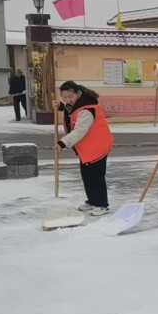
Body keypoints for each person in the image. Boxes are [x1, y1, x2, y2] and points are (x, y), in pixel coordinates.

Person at [55, 81, 114, 216]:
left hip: (97, 146)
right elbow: (71, 111)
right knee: (87, 175)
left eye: (70, 97)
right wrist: (61, 107)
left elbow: (79, 131)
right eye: (64, 97)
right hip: (87, 147)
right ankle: (92, 201)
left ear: (77, 93)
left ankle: (102, 205)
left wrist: (62, 143)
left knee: (96, 176)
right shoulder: (78, 104)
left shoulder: (87, 109)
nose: (68, 100)